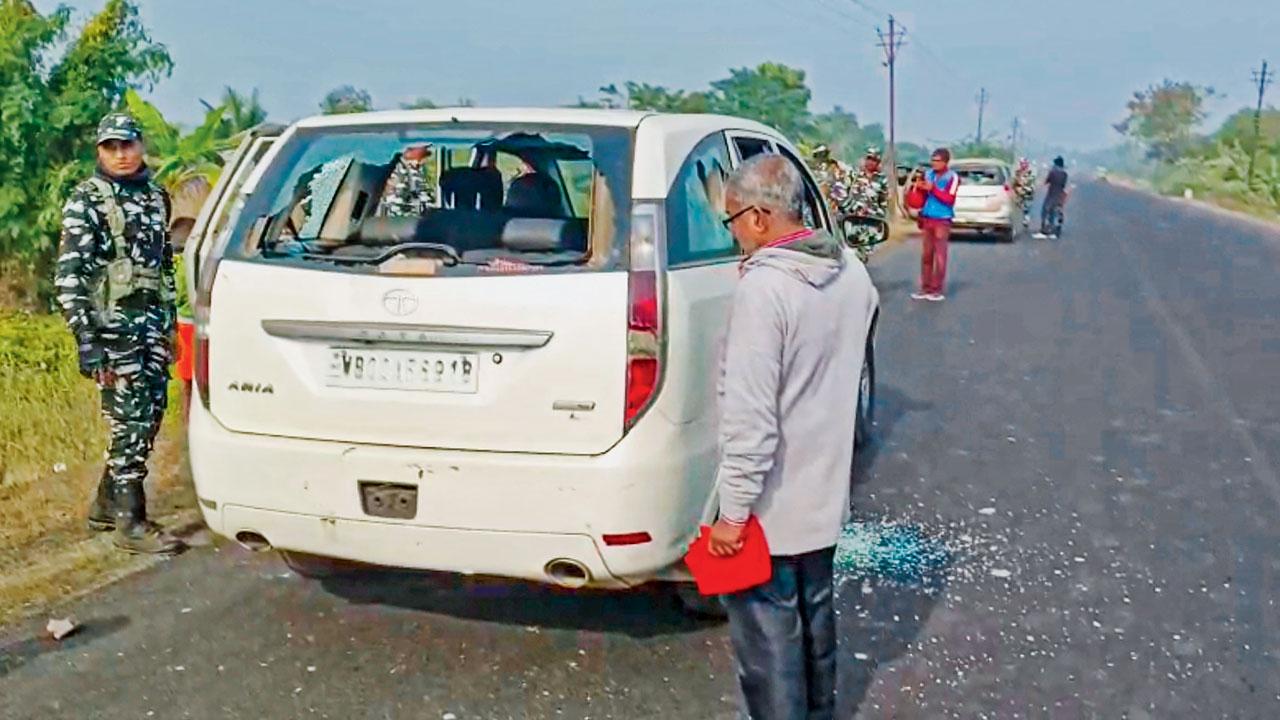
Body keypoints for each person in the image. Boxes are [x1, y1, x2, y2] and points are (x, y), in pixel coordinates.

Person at [710, 154, 878, 720]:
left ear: (759, 217)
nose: (732, 233)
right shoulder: (850, 270)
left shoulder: (766, 291)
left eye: (731, 219)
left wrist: (732, 514)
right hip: (825, 495)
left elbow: (751, 418)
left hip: (771, 507)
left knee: (769, 644)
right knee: (815, 625)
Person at [54, 112, 184, 555]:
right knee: (129, 422)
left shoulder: (154, 196)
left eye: (127, 145)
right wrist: (86, 341)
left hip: (151, 327)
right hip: (112, 331)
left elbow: (164, 265)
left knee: (150, 419)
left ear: (140, 146)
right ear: (99, 151)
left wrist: (170, 327)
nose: (121, 154)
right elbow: (69, 276)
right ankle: (132, 522)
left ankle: (105, 508)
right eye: (110, 147)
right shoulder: (86, 200)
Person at [912, 148, 960, 302]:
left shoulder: (952, 177)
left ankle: (936, 289)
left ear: (945, 162)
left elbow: (949, 199)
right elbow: (922, 197)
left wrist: (933, 189)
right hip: (927, 217)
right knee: (926, 255)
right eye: (933, 160)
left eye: (938, 160)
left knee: (939, 255)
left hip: (942, 219)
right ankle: (925, 287)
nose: (934, 163)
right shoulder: (928, 175)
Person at [845, 146, 890, 262]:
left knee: (865, 252)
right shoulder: (854, 175)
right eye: (869, 158)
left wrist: (880, 218)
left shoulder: (881, 179)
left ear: (878, 162)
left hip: (871, 220)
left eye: (874, 160)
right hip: (853, 218)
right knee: (851, 250)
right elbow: (844, 193)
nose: (870, 162)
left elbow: (883, 201)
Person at [380, 143, 436, 216]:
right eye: (424, 152)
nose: (424, 159)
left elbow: (423, 194)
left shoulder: (413, 170)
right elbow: (393, 198)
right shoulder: (396, 170)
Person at [1038, 156, 1069, 238]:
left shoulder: (1052, 172)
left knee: (1045, 210)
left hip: (1051, 194)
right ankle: (1055, 227)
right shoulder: (1064, 174)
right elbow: (1063, 185)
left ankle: (1045, 227)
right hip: (1059, 195)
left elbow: (1046, 181)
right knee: (1057, 211)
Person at [1013, 157, 1036, 230]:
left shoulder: (1030, 172)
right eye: (1021, 163)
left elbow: (1030, 182)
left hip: (1027, 192)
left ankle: (1026, 219)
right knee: (1017, 206)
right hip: (1019, 192)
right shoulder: (1017, 172)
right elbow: (1014, 181)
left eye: (1024, 163)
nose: (1023, 165)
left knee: (1027, 207)